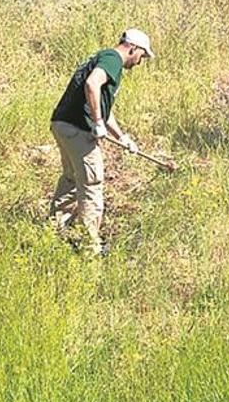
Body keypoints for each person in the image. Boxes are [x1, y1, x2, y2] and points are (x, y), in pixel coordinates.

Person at [49, 29, 154, 254]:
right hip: (78, 129)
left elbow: (103, 108)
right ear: (132, 48)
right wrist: (96, 122)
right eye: (141, 56)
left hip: (62, 124)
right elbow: (92, 84)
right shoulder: (112, 59)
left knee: (70, 178)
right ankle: (90, 246)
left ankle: (56, 232)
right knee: (91, 184)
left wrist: (122, 137)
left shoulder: (104, 58)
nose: (139, 63)